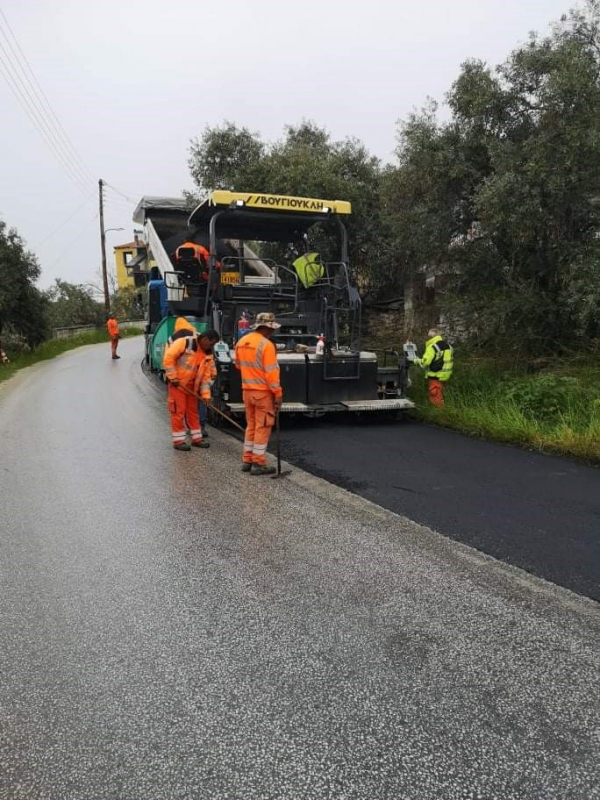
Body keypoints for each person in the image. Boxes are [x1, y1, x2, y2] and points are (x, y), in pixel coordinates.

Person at [235, 312, 283, 475]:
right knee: (263, 427)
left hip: (247, 392)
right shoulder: (266, 345)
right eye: (271, 329)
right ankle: (258, 462)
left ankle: (247, 459)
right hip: (263, 394)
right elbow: (271, 374)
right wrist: (278, 394)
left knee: (251, 426)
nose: (273, 332)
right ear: (267, 328)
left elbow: (238, 365)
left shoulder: (241, 341)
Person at [163, 317, 219, 451]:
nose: (210, 347)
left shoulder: (208, 354)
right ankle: (178, 441)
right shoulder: (185, 343)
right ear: (205, 339)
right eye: (210, 344)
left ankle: (197, 438)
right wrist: (172, 377)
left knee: (193, 412)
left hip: (192, 387)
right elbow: (168, 358)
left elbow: (206, 377)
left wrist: (206, 395)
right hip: (178, 384)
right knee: (178, 411)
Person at [414, 327, 454, 408]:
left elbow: (425, 362)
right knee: (441, 396)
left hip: (435, 376)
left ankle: (439, 415)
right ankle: (444, 413)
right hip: (445, 376)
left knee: (435, 397)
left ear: (431, 337)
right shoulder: (449, 346)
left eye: (428, 336)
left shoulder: (432, 347)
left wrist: (416, 360)